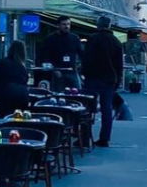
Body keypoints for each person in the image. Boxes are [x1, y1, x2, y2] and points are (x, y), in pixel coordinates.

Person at [81, 15, 124, 146]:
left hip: (92, 78)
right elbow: (119, 65)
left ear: (98, 25)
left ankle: (84, 137)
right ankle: (104, 138)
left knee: (87, 109)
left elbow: (86, 59)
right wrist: (118, 80)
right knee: (106, 109)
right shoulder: (116, 41)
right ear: (109, 26)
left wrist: (84, 73)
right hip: (109, 79)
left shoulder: (92, 39)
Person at [0, 40, 31, 114]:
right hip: (21, 98)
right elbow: (25, 82)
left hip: (5, 97)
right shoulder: (21, 66)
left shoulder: (1, 63)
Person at [39, 16, 84, 83]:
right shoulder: (50, 39)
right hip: (57, 72)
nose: (67, 26)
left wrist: (81, 68)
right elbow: (45, 56)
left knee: (76, 91)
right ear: (58, 25)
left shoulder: (75, 38)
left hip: (72, 71)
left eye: (68, 24)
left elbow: (81, 54)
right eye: (64, 24)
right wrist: (54, 69)